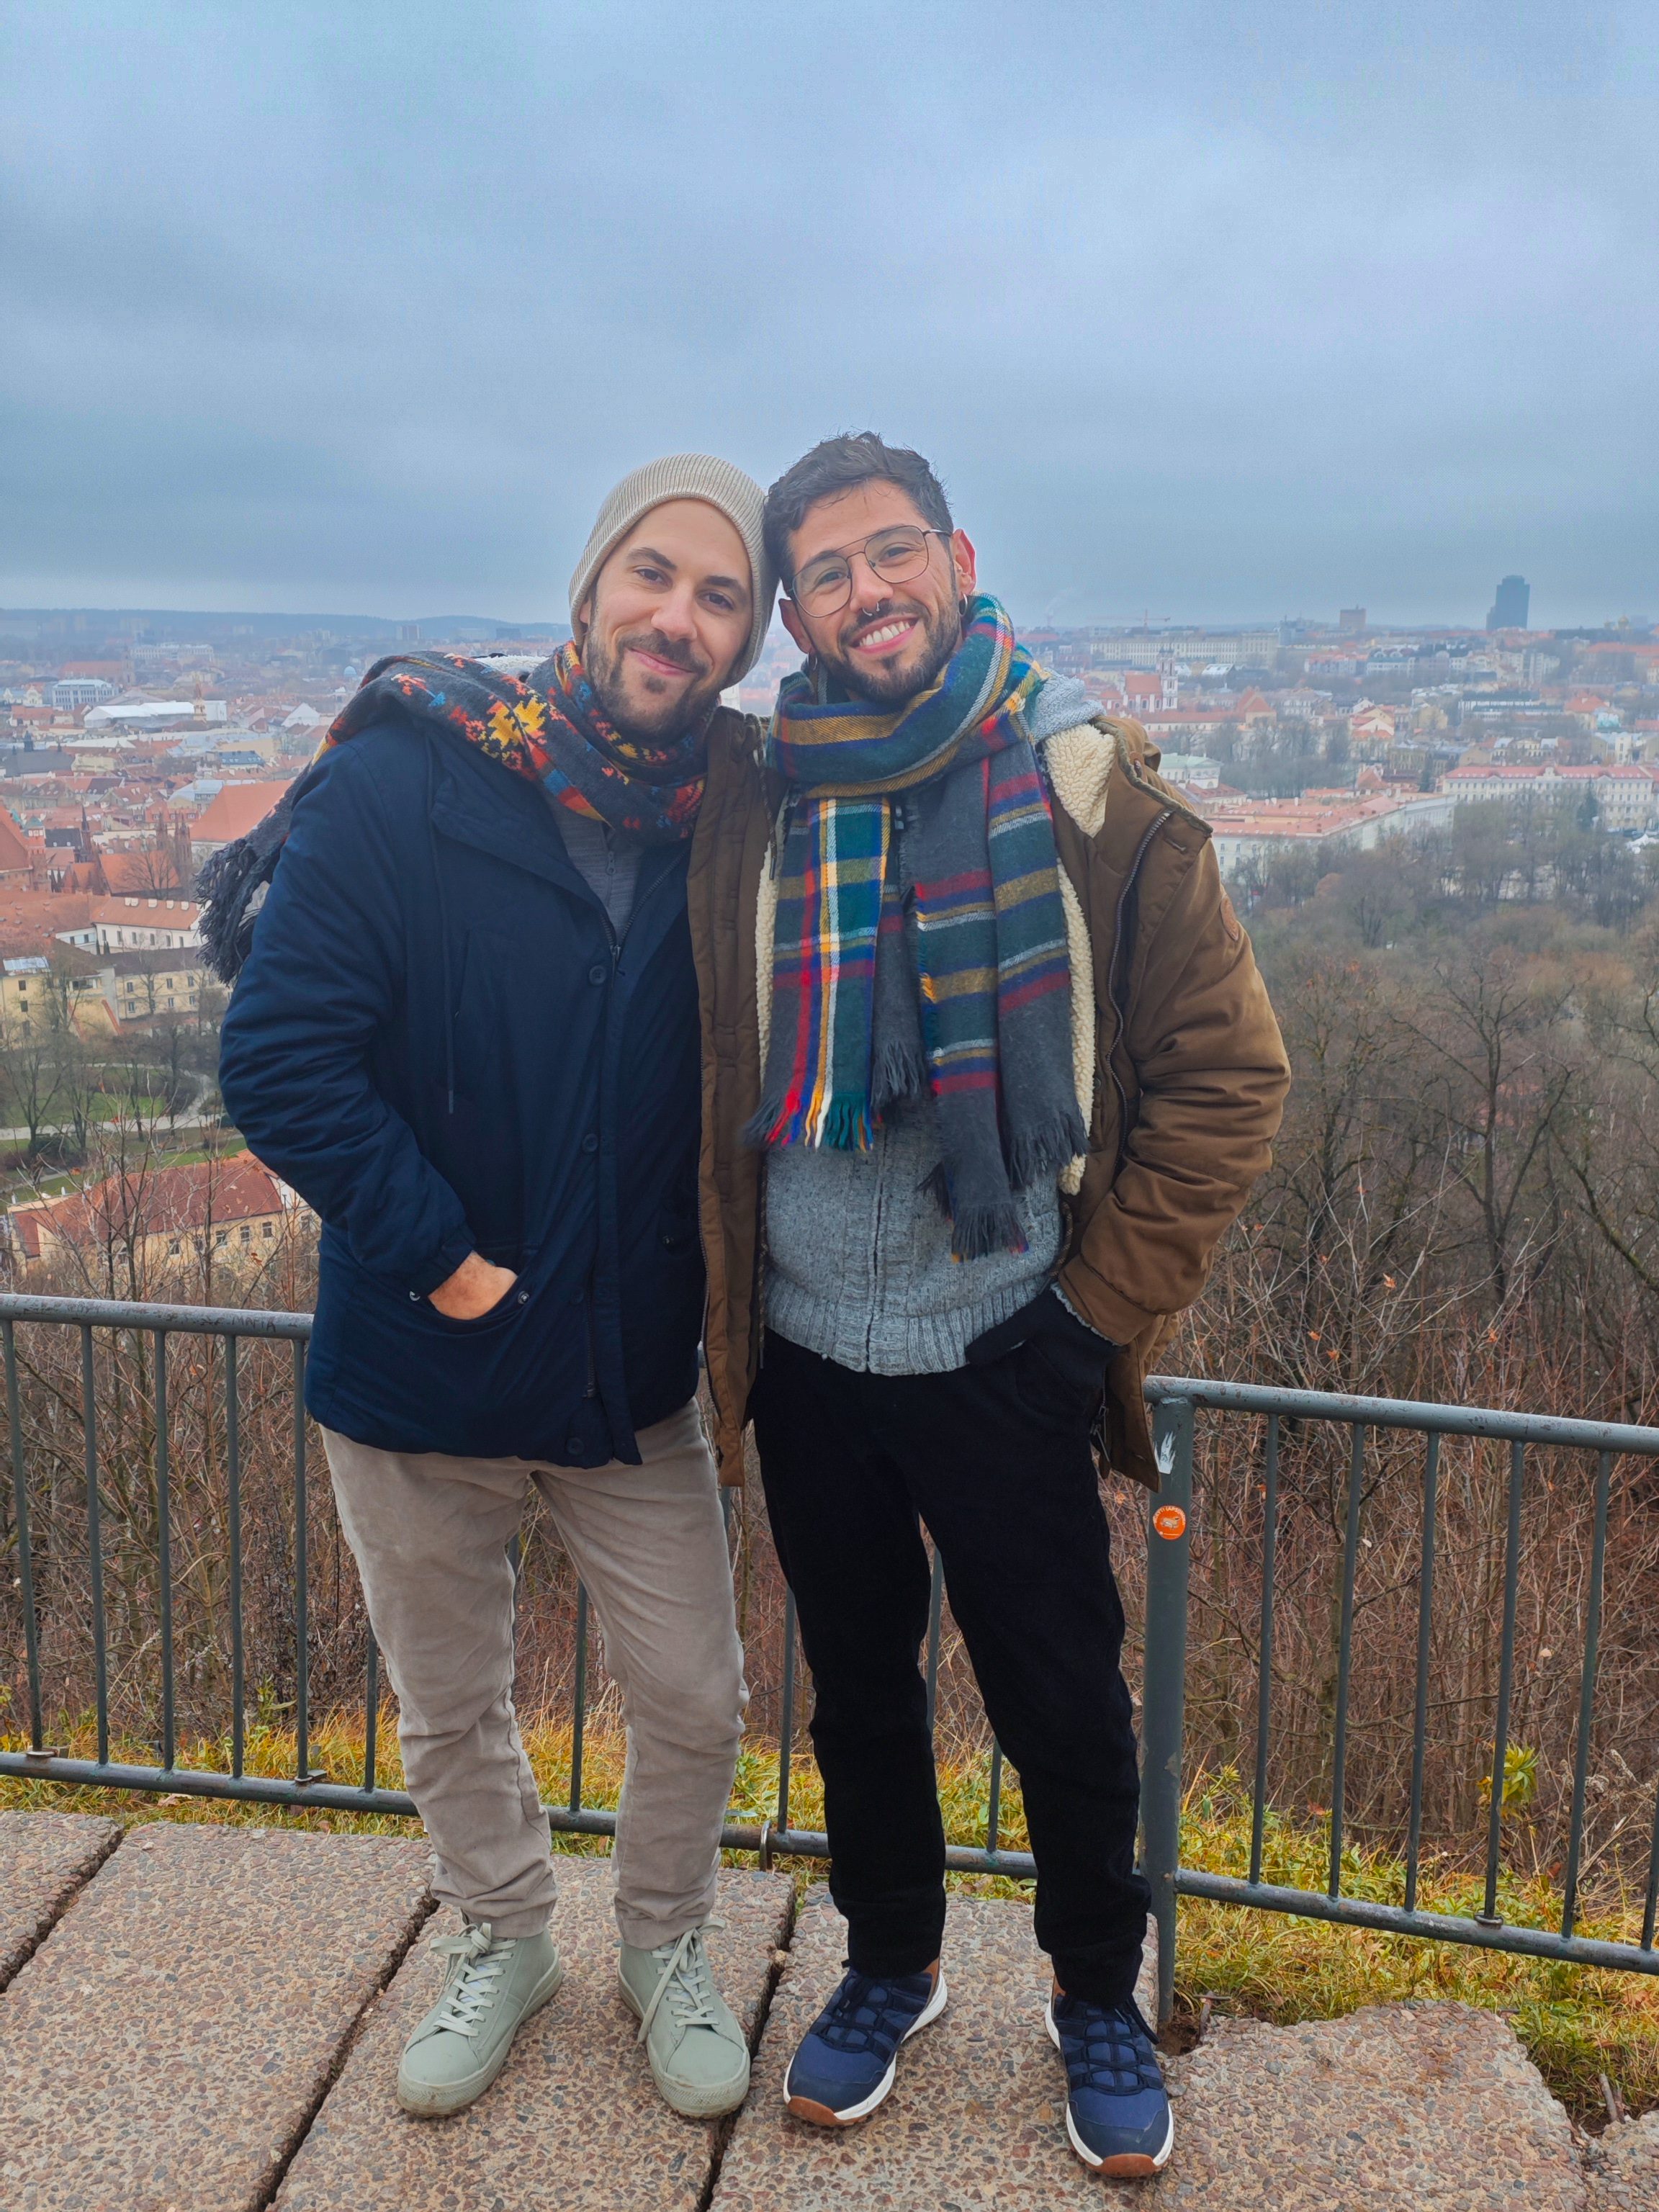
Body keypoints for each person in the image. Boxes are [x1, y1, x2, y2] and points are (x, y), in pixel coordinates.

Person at [686, 433, 1290, 2178]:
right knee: (859, 1690)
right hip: (805, 1351)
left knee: (1060, 1695)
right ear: (793, 612)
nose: (863, 592)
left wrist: (1090, 1323)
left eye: (891, 555)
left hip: (1010, 1343)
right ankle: (891, 1963)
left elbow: (1227, 1084)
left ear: (954, 559)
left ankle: (1095, 1991)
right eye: (826, 573)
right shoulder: (762, 797)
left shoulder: (1093, 799)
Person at [215, 456, 775, 2122]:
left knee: (693, 1689)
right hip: (419, 1360)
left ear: (742, 640)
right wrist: (447, 1264)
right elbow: (282, 1058)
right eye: (653, 574)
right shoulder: (413, 781)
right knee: (450, 1702)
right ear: (594, 585)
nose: (677, 616)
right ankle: (504, 1936)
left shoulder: (738, 817)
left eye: (718, 595)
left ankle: (664, 1943)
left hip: (627, 1370)